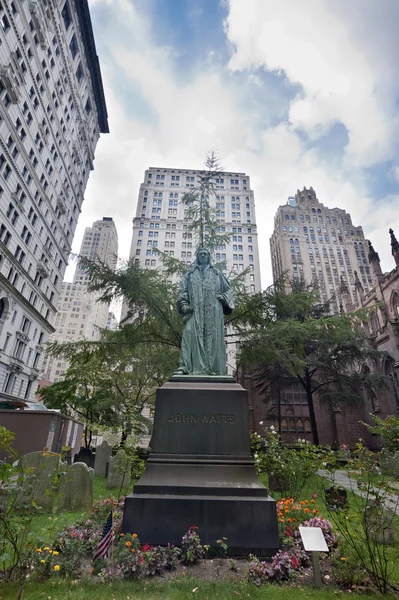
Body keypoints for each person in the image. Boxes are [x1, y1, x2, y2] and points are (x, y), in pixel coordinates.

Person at [175, 247, 234, 376]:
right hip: (194, 311)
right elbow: (183, 292)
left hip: (213, 312)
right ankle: (185, 366)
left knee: (212, 339)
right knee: (189, 333)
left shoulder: (217, 273)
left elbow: (229, 291)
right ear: (197, 256)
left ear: (209, 257)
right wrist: (184, 304)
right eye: (200, 254)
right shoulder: (190, 274)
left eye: (205, 254)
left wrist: (223, 298)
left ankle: (213, 368)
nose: (202, 256)